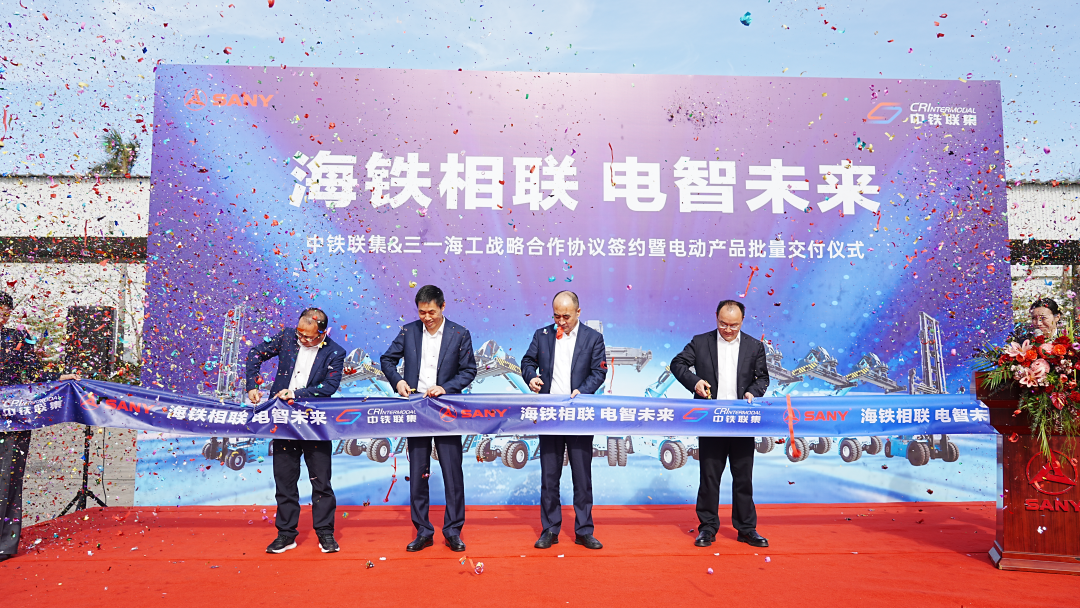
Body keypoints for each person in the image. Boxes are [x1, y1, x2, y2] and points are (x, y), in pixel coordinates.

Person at [380, 285, 476, 553]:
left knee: (452, 473)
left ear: (443, 307)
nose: (427, 317)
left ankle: (453, 531)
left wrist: (446, 387)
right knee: (418, 473)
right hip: (417, 410)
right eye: (422, 312)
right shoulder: (409, 332)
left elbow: (469, 370)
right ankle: (423, 531)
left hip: (446, 410)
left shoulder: (460, 334)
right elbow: (387, 360)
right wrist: (398, 381)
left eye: (431, 312)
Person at [245, 307, 346, 555]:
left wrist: (296, 394)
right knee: (285, 479)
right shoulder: (287, 337)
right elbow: (255, 353)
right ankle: (286, 534)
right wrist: (252, 384)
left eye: (307, 336)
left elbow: (329, 386)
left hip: (314, 423)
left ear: (322, 333)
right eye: (300, 333)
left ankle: (325, 533)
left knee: (321, 481)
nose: (301, 339)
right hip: (284, 421)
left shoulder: (335, 352)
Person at [670, 299, 770, 549]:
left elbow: (762, 378)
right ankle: (707, 527)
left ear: (742, 321)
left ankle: (746, 528)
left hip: (741, 422)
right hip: (711, 422)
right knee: (709, 477)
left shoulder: (754, 346)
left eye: (734, 325)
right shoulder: (700, 342)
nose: (728, 329)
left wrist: (753, 392)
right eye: (723, 324)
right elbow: (677, 364)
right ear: (716, 317)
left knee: (743, 477)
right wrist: (695, 382)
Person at [521, 291, 607, 550]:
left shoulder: (593, 338)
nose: (561, 322)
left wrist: (583, 391)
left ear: (578, 312)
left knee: (582, 476)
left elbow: (599, 371)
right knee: (550, 476)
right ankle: (550, 529)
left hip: (578, 415)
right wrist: (531, 377)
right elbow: (527, 361)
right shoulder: (542, 335)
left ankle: (584, 530)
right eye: (556, 316)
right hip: (550, 415)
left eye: (566, 316)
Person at [0, 291, 78, 562]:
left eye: (6, 311)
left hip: (13, 419)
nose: (3, 316)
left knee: (8, 479)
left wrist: (59, 377)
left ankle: (4, 544)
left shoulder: (18, 338)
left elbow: (33, 371)